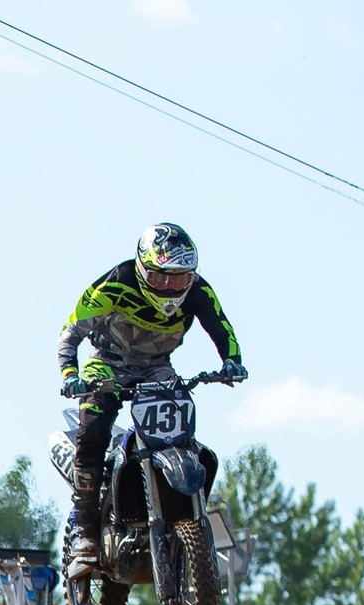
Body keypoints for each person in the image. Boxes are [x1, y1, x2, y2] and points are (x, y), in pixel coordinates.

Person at [57, 223, 246, 577]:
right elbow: (71, 331)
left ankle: (179, 509)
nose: (172, 287)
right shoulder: (115, 283)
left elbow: (221, 327)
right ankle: (85, 529)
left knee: (182, 434)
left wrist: (231, 361)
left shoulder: (199, 292)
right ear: (143, 269)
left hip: (157, 367)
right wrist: (70, 375)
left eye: (180, 279)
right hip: (108, 364)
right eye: (162, 278)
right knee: (94, 431)